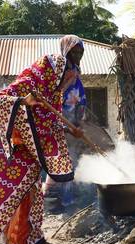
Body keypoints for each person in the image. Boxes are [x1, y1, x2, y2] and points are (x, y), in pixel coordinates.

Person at [0, 35, 84, 244]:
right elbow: (1, 99)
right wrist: (23, 101)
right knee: (4, 192)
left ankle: (31, 239)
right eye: (74, 52)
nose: (67, 82)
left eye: (81, 53)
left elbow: (49, 119)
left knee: (31, 191)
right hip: (6, 143)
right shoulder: (42, 70)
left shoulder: (54, 92)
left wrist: (71, 130)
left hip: (29, 146)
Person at [43, 36, 87, 210]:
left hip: (71, 122)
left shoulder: (76, 70)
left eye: (80, 52)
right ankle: (52, 203)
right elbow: (51, 99)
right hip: (56, 121)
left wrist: (78, 121)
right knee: (57, 160)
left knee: (71, 160)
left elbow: (79, 98)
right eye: (74, 51)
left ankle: (68, 200)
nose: (77, 55)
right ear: (65, 50)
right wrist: (63, 126)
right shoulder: (57, 71)